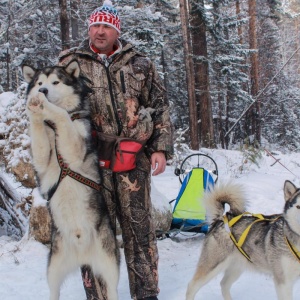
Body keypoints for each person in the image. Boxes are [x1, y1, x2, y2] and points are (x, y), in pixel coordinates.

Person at [58, 1, 173, 300]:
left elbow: (159, 106)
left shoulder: (140, 63)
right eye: (95, 25)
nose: (99, 31)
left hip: (133, 158)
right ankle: (99, 294)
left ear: (116, 30)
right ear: (89, 28)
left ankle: (146, 293)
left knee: (140, 230)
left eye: (106, 26)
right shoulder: (70, 62)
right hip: (90, 162)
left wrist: (159, 148)